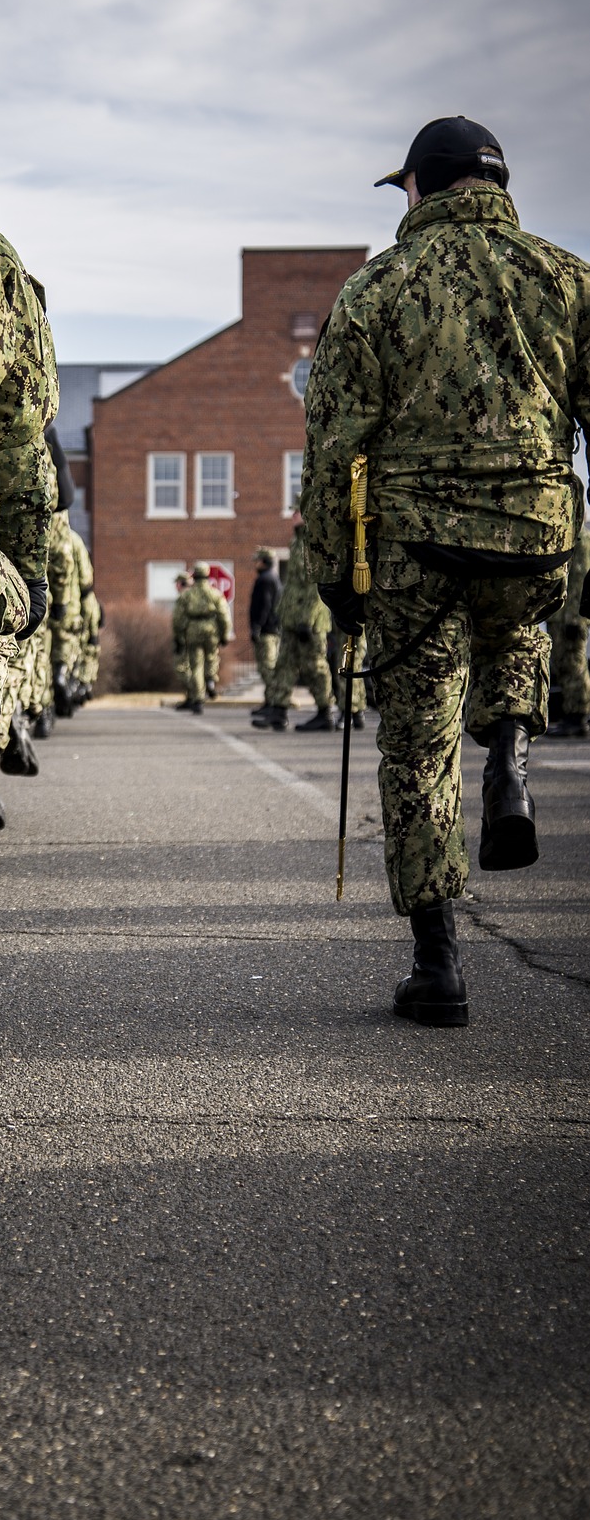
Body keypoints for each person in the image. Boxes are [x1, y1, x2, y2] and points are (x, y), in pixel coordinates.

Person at [302, 115, 590, 1027]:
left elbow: (333, 448)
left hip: (414, 547)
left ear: (421, 187)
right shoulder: (569, 279)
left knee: (417, 748)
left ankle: (439, 965)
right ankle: (508, 757)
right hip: (536, 529)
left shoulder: (373, 289)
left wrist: (332, 579)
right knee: (515, 629)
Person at [251, 523, 335, 731]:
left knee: (315, 667)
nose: (292, 515)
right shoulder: (297, 541)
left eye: (296, 510)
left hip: (309, 622)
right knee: (285, 664)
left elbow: (316, 584)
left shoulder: (317, 538)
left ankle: (325, 713)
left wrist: (307, 620)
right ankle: (278, 711)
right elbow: (293, 585)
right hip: (290, 619)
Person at [545, 522, 590, 737]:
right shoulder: (567, 535)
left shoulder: (581, 540)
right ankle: (569, 715)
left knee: (574, 665)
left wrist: (575, 618)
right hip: (560, 616)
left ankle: (578, 716)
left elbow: (580, 581)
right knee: (563, 665)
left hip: (570, 618)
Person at [175, 562, 231, 713]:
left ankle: (198, 699)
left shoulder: (187, 595)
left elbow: (178, 618)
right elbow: (224, 615)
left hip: (193, 629)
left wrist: (178, 637)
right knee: (212, 657)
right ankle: (211, 680)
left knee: (196, 665)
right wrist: (225, 634)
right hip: (211, 628)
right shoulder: (215, 593)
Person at [249, 549, 282, 706]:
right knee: (266, 668)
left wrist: (257, 627)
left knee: (268, 668)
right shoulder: (271, 578)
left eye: (258, 560)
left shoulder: (265, 580)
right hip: (270, 629)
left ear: (264, 562)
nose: (256, 563)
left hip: (267, 631)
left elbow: (264, 606)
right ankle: (270, 701)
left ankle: (274, 702)